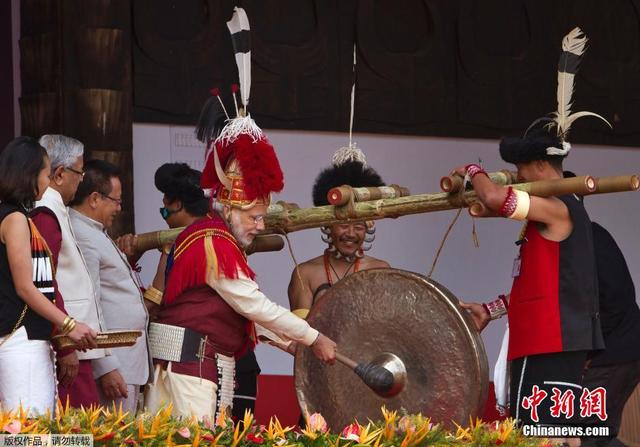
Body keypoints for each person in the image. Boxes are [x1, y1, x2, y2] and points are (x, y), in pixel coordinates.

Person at [144, 77, 337, 420]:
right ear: (230, 207)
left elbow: (235, 308)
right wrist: (312, 336)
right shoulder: (214, 242)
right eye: (256, 217)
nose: (260, 226)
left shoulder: (210, 236)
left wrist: (286, 340)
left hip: (194, 365)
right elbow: (250, 303)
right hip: (192, 369)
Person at [0, 136, 96, 415]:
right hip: (22, 341)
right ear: (30, 175)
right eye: (45, 173)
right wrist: (68, 324)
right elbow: (26, 288)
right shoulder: (15, 219)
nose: (48, 180)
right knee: (32, 433)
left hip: (23, 340)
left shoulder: (16, 216)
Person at [562, 172, 640, 446]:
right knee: (595, 433)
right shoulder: (568, 241)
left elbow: (616, 301)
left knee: (589, 432)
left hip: (616, 350)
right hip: (610, 351)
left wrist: (590, 352)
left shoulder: (591, 238)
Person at [69, 160, 152, 413]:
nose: (119, 208)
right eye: (115, 201)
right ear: (94, 198)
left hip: (126, 362)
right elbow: (90, 305)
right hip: (114, 364)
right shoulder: (83, 234)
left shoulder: (96, 231)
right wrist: (106, 367)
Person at [32, 134, 107, 408]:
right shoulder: (45, 212)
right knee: (76, 431)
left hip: (72, 336)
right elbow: (45, 281)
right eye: (80, 171)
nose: (82, 179)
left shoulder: (55, 209)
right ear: (60, 174)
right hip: (65, 340)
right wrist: (64, 343)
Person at [288, 147, 390, 318]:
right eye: (343, 225)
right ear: (328, 224)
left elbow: (386, 329)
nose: (350, 233)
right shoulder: (305, 274)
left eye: (358, 226)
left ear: (368, 227)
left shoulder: (380, 271)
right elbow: (300, 335)